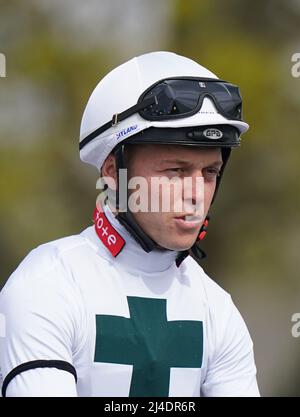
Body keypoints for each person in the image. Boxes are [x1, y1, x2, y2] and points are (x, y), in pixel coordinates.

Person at [0, 51, 260, 397]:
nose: (196, 193)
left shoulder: (219, 310)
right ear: (112, 171)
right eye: (176, 171)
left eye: (209, 172)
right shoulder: (46, 284)